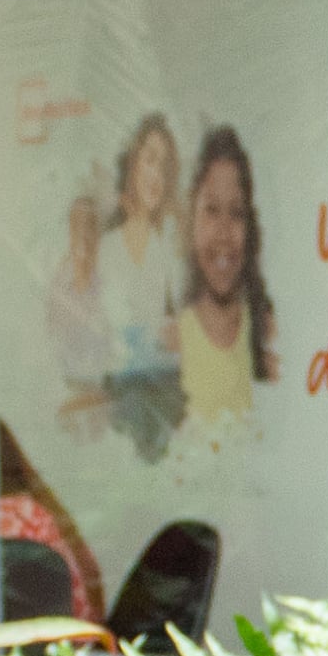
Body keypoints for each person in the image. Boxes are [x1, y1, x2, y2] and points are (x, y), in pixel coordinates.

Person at [53, 111, 189, 459]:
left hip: (166, 390)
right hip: (117, 393)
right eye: (150, 161)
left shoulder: (170, 244)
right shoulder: (108, 248)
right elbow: (87, 330)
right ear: (133, 164)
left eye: (165, 166)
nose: (156, 175)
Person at [170, 125, 276, 434]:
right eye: (211, 211)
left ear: (251, 226)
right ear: (191, 219)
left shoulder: (267, 333)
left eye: (237, 213)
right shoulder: (173, 340)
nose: (224, 232)